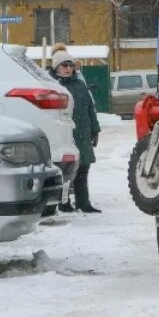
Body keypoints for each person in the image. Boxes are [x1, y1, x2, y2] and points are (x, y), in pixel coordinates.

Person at [50, 50, 101, 213]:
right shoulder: (52, 85)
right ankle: (63, 203)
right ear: (56, 66)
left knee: (83, 168)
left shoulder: (79, 85)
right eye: (64, 65)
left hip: (83, 133)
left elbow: (89, 108)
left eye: (71, 65)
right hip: (63, 134)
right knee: (65, 170)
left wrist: (95, 129)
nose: (68, 68)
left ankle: (83, 202)